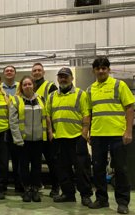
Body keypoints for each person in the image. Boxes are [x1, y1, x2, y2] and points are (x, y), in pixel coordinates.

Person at [87, 57, 135, 214]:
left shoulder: (118, 85)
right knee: (98, 168)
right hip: (98, 134)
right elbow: (89, 113)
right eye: (98, 68)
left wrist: (128, 131)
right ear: (94, 71)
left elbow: (129, 107)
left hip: (117, 134)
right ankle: (101, 199)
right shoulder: (90, 90)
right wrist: (88, 132)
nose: (101, 71)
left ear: (108, 70)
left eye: (104, 68)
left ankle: (122, 202)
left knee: (121, 169)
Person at [46, 68, 93, 206]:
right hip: (59, 138)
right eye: (60, 77)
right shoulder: (52, 96)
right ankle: (68, 194)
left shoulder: (81, 94)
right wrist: (50, 133)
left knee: (82, 169)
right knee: (63, 169)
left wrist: (84, 134)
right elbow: (48, 115)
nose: (63, 79)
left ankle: (85, 195)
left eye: (65, 77)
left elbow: (86, 114)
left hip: (77, 138)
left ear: (72, 78)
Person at [9, 75, 47, 203]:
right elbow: (13, 122)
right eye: (24, 84)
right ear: (21, 87)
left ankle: (35, 190)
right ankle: (26, 190)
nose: (27, 86)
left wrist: (45, 137)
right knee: (24, 167)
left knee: (37, 167)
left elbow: (46, 119)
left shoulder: (41, 100)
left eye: (29, 84)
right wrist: (18, 140)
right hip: (23, 142)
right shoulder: (16, 100)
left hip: (38, 140)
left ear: (33, 85)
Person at [32, 63, 60, 196]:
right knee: (36, 162)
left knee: (52, 161)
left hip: (48, 131)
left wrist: (51, 131)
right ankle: (36, 185)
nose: (37, 72)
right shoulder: (30, 87)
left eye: (39, 70)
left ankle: (56, 187)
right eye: (34, 71)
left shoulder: (50, 86)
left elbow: (54, 108)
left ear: (43, 73)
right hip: (35, 132)